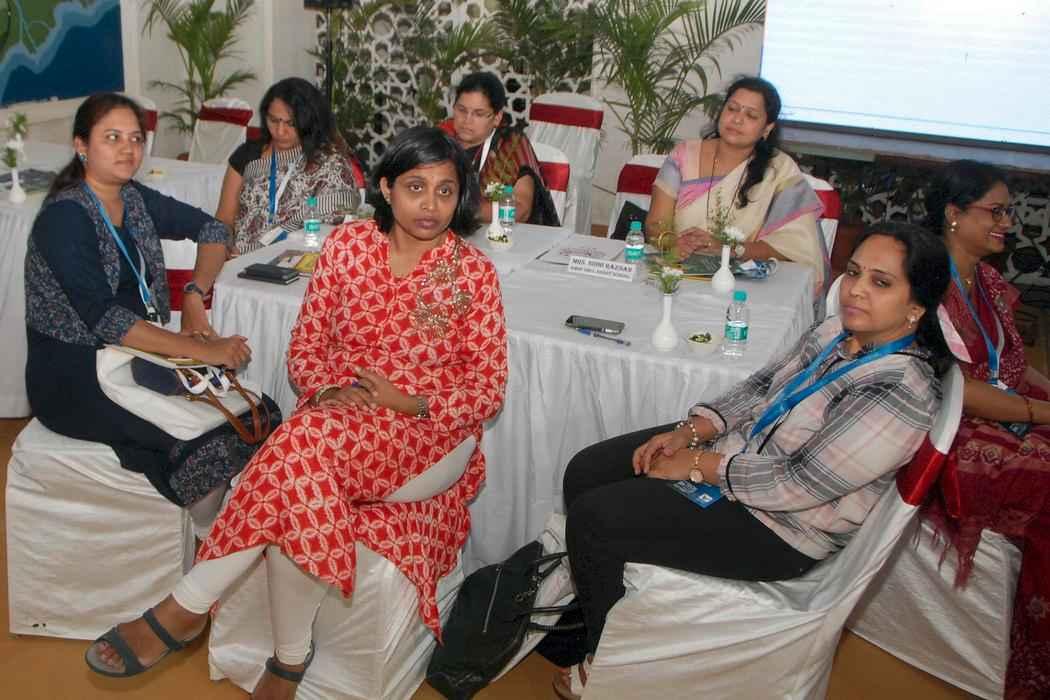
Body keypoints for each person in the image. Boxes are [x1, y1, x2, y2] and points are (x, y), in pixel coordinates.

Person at [84, 126, 509, 698]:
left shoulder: (472, 273)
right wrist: (328, 391)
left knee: (295, 451)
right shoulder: (346, 247)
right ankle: (286, 661)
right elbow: (306, 347)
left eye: (445, 190)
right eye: (415, 187)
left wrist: (406, 401)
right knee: (301, 471)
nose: (430, 204)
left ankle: (188, 607)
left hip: (431, 430)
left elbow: (487, 390)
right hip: (338, 416)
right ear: (386, 188)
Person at [552, 222, 951, 699]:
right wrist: (691, 431)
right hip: (739, 458)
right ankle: (603, 606)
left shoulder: (899, 392)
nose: (856, 290)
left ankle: (609, 663)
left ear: (916, 307)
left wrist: (699, 466)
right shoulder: (837, 332)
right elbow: (762, 387)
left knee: (596, 519)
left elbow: (798, 484)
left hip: (780, 527)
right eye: (853, 272)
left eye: (880, 283)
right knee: (587, 470)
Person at [25, 92, 277, 539]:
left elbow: (213, 229)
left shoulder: (133, 198)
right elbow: (106, 321)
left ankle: (210, 535)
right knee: (208, 444)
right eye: (112, 138)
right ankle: (207, 539)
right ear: (81, 145)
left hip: (141, 352)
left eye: (136, 139)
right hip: (74, 372)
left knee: (258, 414)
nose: (128, 149)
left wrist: (194, 296)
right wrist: (204, 350)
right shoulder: (65, 217)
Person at [919, 159, 1050, 699]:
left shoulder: (989, 280)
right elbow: (954, 386)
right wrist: (1040, 413)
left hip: (997, 408)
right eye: (996, 212)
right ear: (954, 214)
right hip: (949, 428)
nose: (1007, 223)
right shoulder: (925, 281)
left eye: (1008, 212)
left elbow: (1011, 365)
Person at [646, 76, 829, 290]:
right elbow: (655, 224)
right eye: (732, 109)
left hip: (743, 284)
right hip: (677, 274)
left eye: (751, 115)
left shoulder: (780, 171)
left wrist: (729, 248)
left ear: (767, 128)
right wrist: (674, 243)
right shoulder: (684, 155)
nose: (737, 119)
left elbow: (794, 247)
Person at [216, 77, 362, 254]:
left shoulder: (329, 161)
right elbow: (224, 218)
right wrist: (225, 247)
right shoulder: (247, 155)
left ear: (308, 122)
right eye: (273, 120)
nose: (280, 131)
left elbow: (337, 222)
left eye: (291, 124)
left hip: (300, 257)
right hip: (240, 258)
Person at [439, 70, 561, 226]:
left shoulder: (510, 145)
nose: (467, 120)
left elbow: (521, 210)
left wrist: (462, 210)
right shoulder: (441, 140)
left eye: (478, 114)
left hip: (505, 234)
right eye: (461, 110)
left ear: (497, 118)